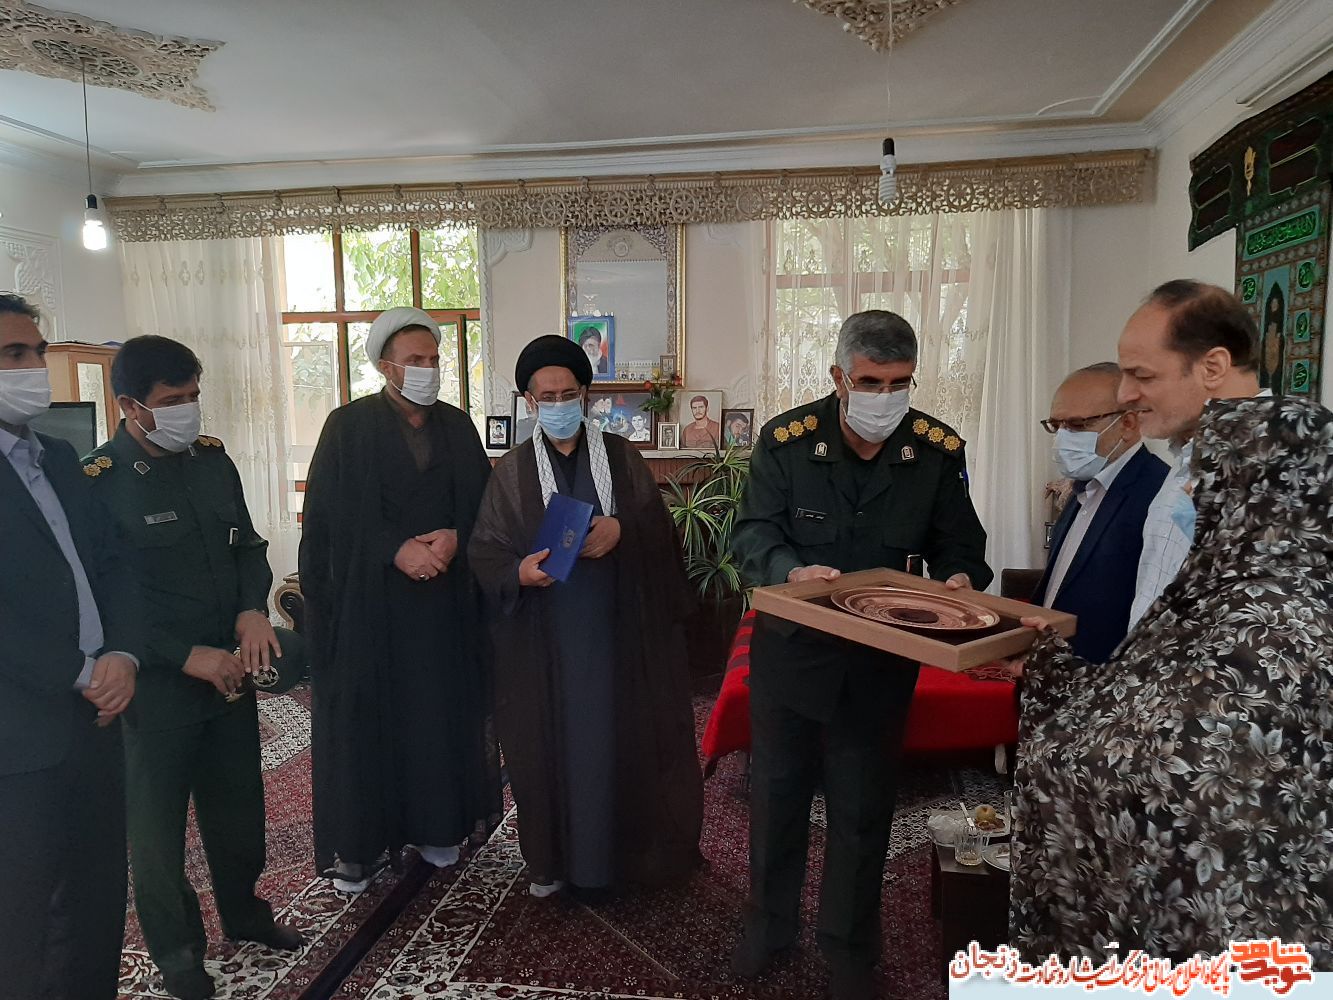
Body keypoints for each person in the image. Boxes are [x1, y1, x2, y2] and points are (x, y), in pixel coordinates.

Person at [1011, 394, 1333, 969]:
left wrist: (1074, 751)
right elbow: (1143, 690)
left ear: (1269, 492)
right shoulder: (1215, 586)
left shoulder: (1283, 618)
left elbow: (1195, 769)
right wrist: (1050, 667)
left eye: (1207, 477)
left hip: (1235, 922)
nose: (1188, 493)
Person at [730, 310, 991, 999]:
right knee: (776, 798)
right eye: (870, 382)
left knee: (862, 809)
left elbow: (962, 544)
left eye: (899, 383)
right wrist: (789, 569)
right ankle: (768, 927)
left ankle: (848, 949)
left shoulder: (934, 451)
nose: (884, 397)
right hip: (793, 654)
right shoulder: (786, 442)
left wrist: (960, 580)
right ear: (838, 377)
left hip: (879, 662)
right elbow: (752, 533)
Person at [85, 335, 302, 1000]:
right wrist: (183, 656)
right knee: (156, 831)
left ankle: (245, 913)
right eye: (172, 400)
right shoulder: (100, 483)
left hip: (230, 671)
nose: (188, 410)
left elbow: (248, 546)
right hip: (156, 687)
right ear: (130, 406)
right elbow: (105, 597)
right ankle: (178, 954)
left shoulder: (212, 462)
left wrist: (252, 609)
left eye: (194, 396)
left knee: (238, 805)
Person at [468, 334, 702, 898]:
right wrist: (519, 573)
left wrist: (623, 530)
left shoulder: (621, 457)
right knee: (549, 752)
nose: (558, 404)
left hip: (622, 641)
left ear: (586, 395)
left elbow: (660, 533)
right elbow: (485, 551)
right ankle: (554, 863)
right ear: (529, 402)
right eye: (546, 397)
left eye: (568, 394)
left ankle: (629, 859)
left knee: (625, 745)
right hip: (543, 646)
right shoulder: (512, 472)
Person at [300, 307, 501, 894]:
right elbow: (328, 519)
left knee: (436, 718)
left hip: (443, 610)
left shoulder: (457, 426)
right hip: (371, 611)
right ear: (385, 366)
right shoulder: (347, 427)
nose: (427, 369)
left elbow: (484, 505)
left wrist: (457, 537)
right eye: (415, 360)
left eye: (434, 359)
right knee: (367, 726)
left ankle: (439, 828)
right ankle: (360, 848)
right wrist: (393, 549)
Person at [0, 293, 142, 1000]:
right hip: (18, 739)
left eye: (36, 351)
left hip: (96, 721)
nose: (33, 367)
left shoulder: (57, 457)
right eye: (13, 354)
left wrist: (123, 656)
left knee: (94, 902)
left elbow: (113, 564)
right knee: (21, 920)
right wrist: (80, 671)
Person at [1118, 280, 1264, 627]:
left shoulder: (1282, 474)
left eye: (1142, 376)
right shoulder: (1191, 455)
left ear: (1212, 368)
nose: (1124, 395)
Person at [1032, 362, 1167, 662]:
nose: (1062, 439)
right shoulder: (1084, 486)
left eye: (1077, 425)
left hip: (1104, 679)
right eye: (1056, 425)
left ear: (1128, 424)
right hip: (1051, 672)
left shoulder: (1159, 495)